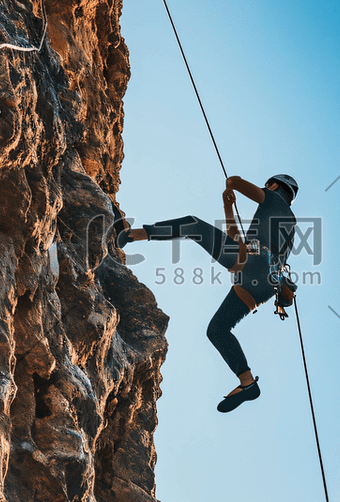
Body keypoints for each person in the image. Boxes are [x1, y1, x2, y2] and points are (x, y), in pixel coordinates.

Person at [118, 174, 298, 412]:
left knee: (193, 225)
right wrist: (227, 207)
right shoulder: (287, 226)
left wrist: (232, 184)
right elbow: (233, 240)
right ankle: (247, 382)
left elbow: (237, 182)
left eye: (268, 186)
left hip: (253, 263)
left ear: (274, 186)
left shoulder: (274, 200)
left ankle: (132, 235)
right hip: (265, 282)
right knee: (217, 330)